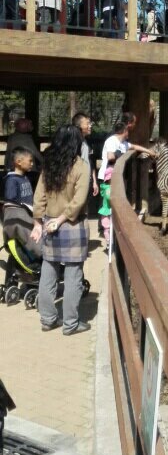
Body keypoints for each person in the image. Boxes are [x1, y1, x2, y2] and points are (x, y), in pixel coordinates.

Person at [30, 125, 91, 335]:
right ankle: (71, 324)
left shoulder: (50, 166)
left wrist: (38, 222)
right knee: (74, 275)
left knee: (49, 271)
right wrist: (62, 218)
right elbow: (79, 200)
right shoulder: (81, 166)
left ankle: (47, 319)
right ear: (77, 143)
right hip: (73, 225)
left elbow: (39, 196)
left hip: (49, 224)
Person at [3, 147, 42, 260]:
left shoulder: (25, 177)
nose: (32, 163)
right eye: (29, 161)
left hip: (29, 215)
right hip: (22, 219)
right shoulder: (12, 180)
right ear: (18, 162)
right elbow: (12, 204)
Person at [72, 112, 99, 197]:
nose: (90, 126)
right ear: (78, 125)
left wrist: (94, 181)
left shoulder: (87, 142)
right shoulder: (74, 143)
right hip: (76, 183)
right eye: (87, 123)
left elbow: (90, 161)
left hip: (87, 181)